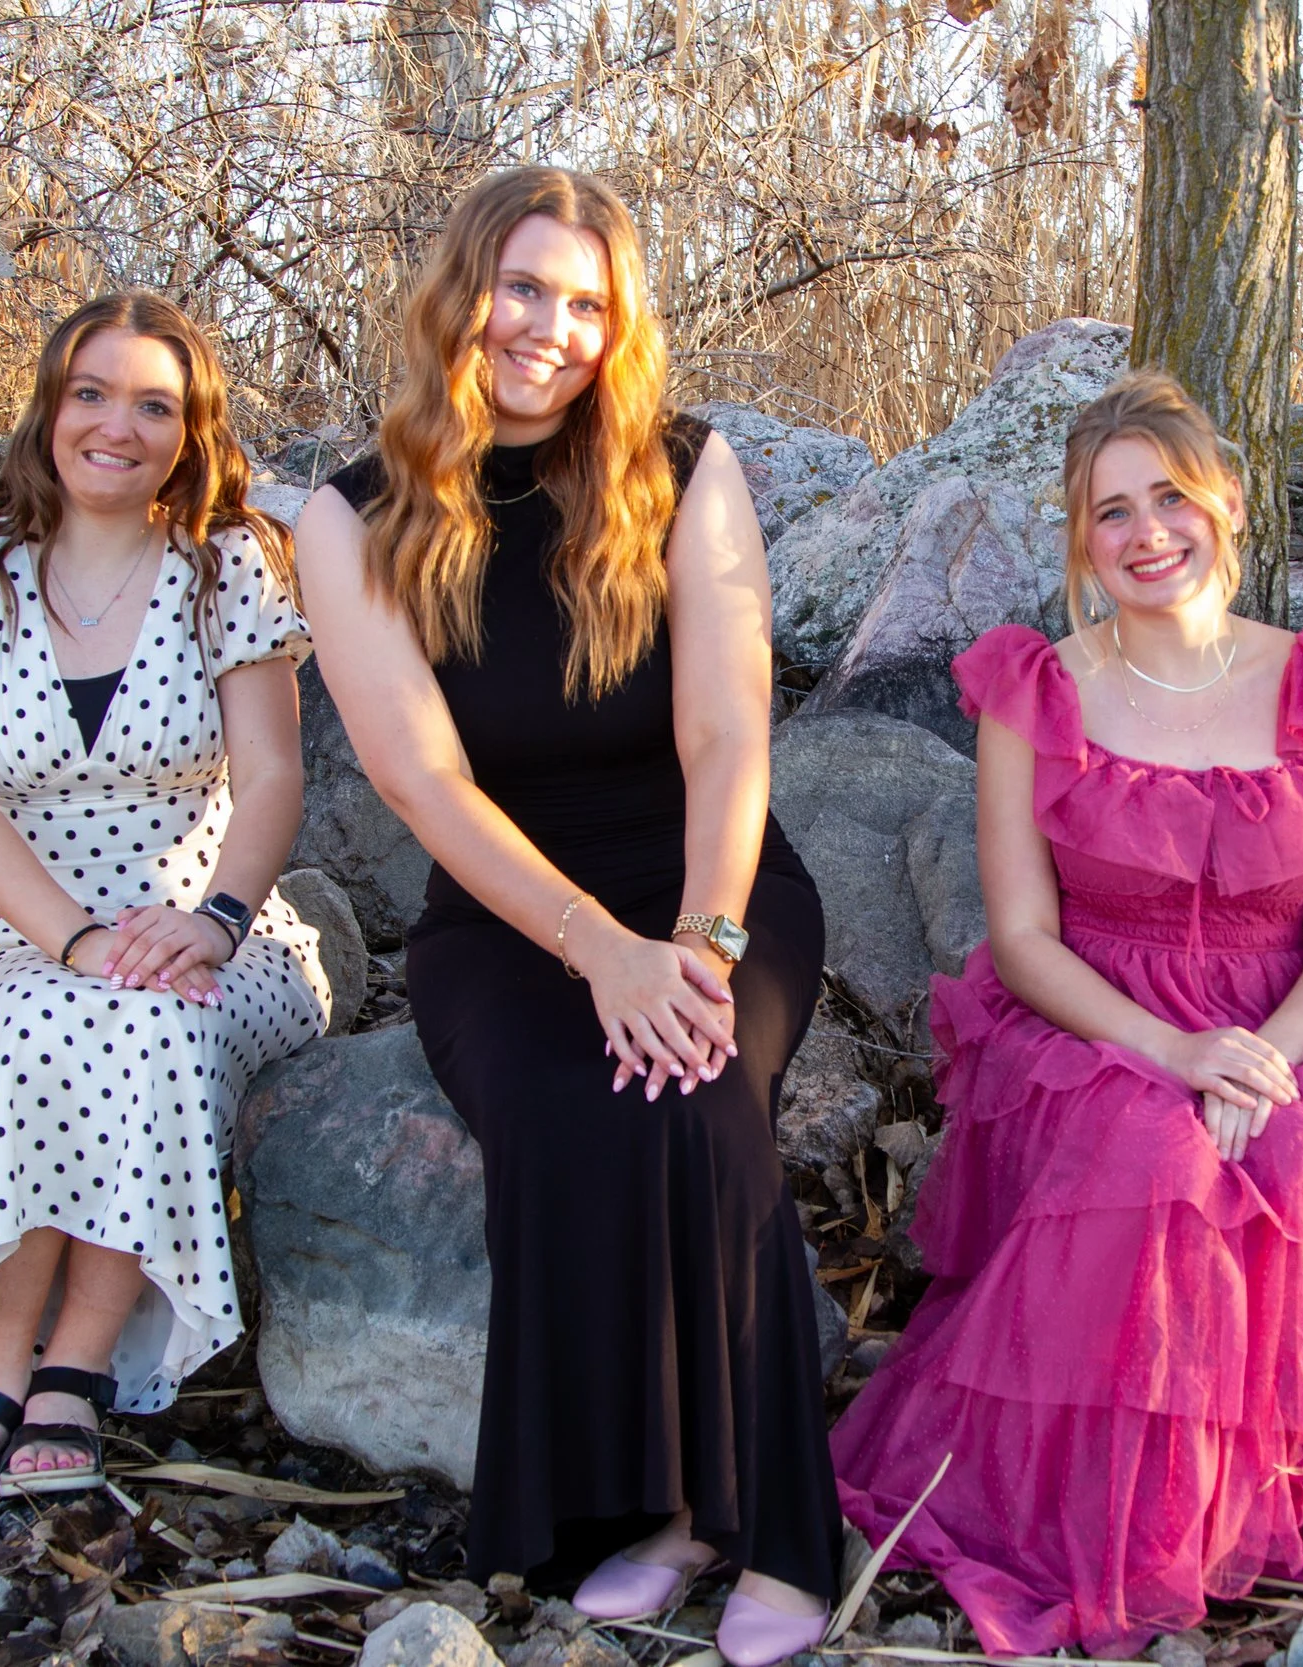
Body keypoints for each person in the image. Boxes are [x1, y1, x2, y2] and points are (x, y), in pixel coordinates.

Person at [293, 168, 836, 1667]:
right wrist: (598, 949)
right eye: (524, 287)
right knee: (565, 1101)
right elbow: (421, 777)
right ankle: (644, 1508)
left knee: (701, 1087)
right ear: (462, 290)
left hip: (715, 878)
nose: (550, 328)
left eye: (587, 303)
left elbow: (731, 735)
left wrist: (701, 946)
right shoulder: (348, 520)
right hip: (502, 909)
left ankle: (773, 1522)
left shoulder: (683, 467)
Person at [832, 371, 1303, 1658]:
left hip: (1273, 1017)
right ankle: (1122, 1523)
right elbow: (1023, 937)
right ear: (1081, 541)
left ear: (1224, 500)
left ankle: (1241, 1511)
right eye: (1110, 513)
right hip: (1091, 1022)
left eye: (1170, 495)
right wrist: (1170, 1050)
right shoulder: (1038, 689)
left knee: (1298, 1161)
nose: (1146, 531)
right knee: (1156, 1159)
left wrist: (1261, 1055)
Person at [0, 292, 332, 1520]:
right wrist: (78, 940)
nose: (117, 426)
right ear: (50, 408)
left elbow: (276, 776)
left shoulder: (229, 563)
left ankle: (68, 1374)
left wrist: (216, 919)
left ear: (189, 432)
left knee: (147, 1018)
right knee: (57, 1018)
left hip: (216, 933)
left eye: (155, 404)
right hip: (32, 936)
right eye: (92, 393)